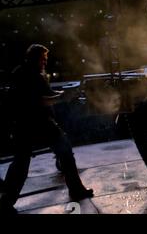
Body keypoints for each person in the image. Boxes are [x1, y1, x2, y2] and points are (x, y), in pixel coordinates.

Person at [0, 44, 93, 214]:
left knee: (26, 161)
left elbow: (46, 94)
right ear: (35, 58)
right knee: (27, 161)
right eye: (42, 58)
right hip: (32, 122)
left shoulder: (30, 73)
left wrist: (62, 94)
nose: (45, 62)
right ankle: (6, 200)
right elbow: (39, 100)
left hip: (33, 123)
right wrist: (63, 97)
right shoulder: (26, 74)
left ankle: (6, 200)